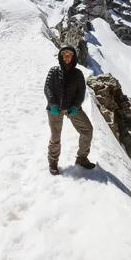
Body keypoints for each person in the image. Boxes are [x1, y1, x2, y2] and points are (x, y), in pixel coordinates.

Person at [44, 45, 95, 175]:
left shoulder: (78, 73)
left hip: (72, 108)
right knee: (55, 136)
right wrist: (53, 105)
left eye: (70, 55)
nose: (67, 58)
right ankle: (53, 162)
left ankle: (82, 158)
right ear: (61, 57)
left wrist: (75, 107)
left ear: (73, 57)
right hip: (55, 109)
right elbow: (48, 89)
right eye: (65, 55)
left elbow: (81, 92)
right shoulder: (53, 71)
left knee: (87, 129)